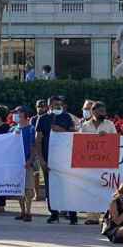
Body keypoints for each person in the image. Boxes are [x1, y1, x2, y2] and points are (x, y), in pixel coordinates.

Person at [37, 95, 77, 224]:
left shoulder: (66, 117)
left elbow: (73, 134)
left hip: (65, 159)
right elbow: (38, 140)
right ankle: (53, 213)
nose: (58, 107)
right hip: (48, 159)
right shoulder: (42, 119)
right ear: (49, 106)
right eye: (55, 105)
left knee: (69, 186)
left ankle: (72, 214)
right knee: (50, 187)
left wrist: (62, 130)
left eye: (60, 104)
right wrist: (41, 160)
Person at [12, 106, 37, 222]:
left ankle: (28, 211)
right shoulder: (13, 129)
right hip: (16, 163)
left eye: (18, 113)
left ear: (24, 114)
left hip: (26, 163)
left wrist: (30, 160)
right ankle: (22, 211)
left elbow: (33, 147)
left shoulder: (31, 129)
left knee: (28, 189)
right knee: (18, 189)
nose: (16, 115)